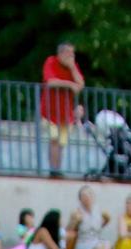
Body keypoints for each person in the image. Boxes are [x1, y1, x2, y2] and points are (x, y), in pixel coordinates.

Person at [38, 41, 83, 177]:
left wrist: (73, 69)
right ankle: (53, 169)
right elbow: (50, 82)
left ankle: (58, 168)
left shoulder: (72, 66)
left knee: (61, 142)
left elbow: (80, 85)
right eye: (69, 53)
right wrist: (69, 84)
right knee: (54, 139)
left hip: (65, 112)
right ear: (61, 53)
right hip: (50, 111)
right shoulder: (51, 61)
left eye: (73, 54)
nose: (72, 57)